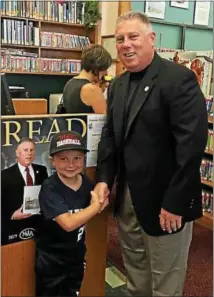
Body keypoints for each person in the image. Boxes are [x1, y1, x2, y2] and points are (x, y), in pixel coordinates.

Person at [95, 11, 208, 297]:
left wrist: (176, 202)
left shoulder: (178, 80)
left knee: (165, 283)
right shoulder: (118, 85)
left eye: (133, 36)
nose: (126, 44)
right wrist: (103, 180)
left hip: (166, 202)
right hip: (127, 198)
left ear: (151, 39)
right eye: (120, 39)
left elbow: (191, 146)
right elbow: (110, 137)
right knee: (136, 277)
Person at [35, 130, 105, 297]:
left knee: (73, 292)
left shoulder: (86, 183)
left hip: (76, 255)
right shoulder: (50, 187)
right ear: (53, 161)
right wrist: (95, 207)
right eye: (63, 158)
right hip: (52, 259)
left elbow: (97, 204)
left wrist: (101, 200)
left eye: (77, 158)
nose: (71, 164)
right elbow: (68, 223)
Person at [1, 137, 48, 245]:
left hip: (39, 226)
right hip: (15, 229)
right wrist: (12, 215)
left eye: (31, 150)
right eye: (25, 150)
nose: (29, 153)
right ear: (17, 153)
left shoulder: (42, 170)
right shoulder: (4, 175)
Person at [63, 44, 112, 114]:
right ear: (97, 66)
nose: (106, 73)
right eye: (105, 68)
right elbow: (106, 118)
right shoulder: (92, 89)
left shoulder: (69, 83)